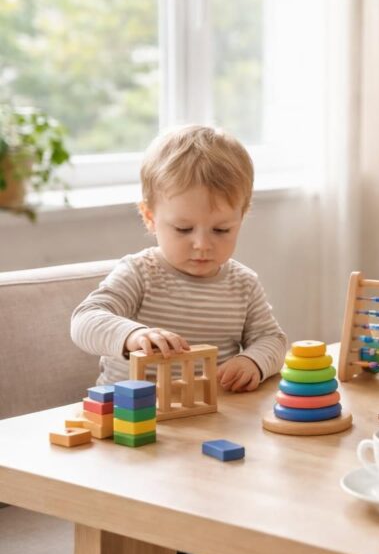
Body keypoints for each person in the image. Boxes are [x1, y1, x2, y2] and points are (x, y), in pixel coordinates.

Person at [71, 124, 287, 392]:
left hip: (209, 413)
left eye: (221, 230)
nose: (202, 245)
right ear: (150, 218)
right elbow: (85, 320)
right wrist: (133, 335)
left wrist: (252, 361)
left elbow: (272, 339)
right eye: (184, 229)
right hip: (132, 418)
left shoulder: (243, 284)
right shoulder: (140, 272)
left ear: (241, 218)